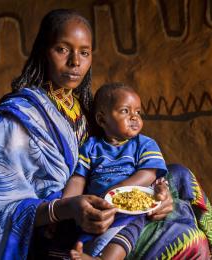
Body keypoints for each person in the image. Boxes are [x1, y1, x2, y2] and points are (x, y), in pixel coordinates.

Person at [0, 8, 212, 260]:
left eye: (85, 53)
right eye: (62, 49)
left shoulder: (86, 110)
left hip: (104, 205)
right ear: (44, 51)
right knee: (187, 238)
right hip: (56, 227)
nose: (75, 62)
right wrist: (67, 208)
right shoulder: (15, 118)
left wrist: (160, 198)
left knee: (179, 176)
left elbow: (116, 161)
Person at [63, 82, 168, 259]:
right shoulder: (91, 147)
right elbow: (78, 179)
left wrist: (116, 191)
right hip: (100, 206)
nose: (134, 117)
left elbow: (148, 174)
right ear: (102, 120)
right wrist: (64, 206)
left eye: (138, 112)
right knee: (85, 233)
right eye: (125, 111)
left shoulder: (144, 144)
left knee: (125, 234)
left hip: (132, 209)